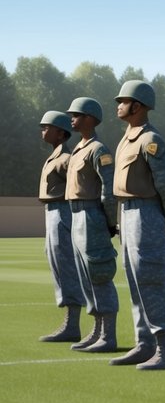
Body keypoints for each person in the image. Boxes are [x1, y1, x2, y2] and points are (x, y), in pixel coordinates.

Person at [112, 80, 165, 370]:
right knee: (135, 280)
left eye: (123, 100)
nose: (118, 105)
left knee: (151, 279)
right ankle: (145, 344)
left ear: (137, 106)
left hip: (146, 213)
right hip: (127, 213)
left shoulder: (150, 139)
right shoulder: (127, 138)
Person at [64, 98, 119, 353]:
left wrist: (109, 221)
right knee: (85, 276)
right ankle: (96, 330)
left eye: (76, 115)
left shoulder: (99, 150)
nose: (72, 119)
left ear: (90, 118)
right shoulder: (78, 148)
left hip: (91, 215)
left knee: (99, 274)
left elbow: (108, 189)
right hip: (76, 215)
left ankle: (108, 335)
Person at [37, 109, 86, 343]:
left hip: (63, 212)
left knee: (66, 265)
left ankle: (73, 324)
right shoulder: (56, 156)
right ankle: (70, 322)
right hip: (52, 212)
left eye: (47, 127)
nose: (43, 130)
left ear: (60, 133)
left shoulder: (66, 158)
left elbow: (80, 186)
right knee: (57, 262)